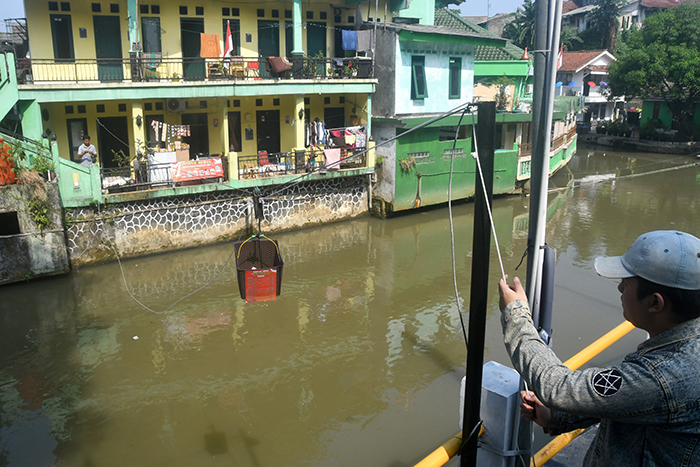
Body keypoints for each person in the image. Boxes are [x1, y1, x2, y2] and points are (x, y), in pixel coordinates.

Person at [498, 230, 700, 466]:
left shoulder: (663, 376)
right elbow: (634, 402)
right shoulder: (680, 348)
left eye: (625, 283)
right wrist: (558, 416)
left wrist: (516, 314)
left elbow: (557, 387)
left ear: (655, 302)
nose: (620, 290)